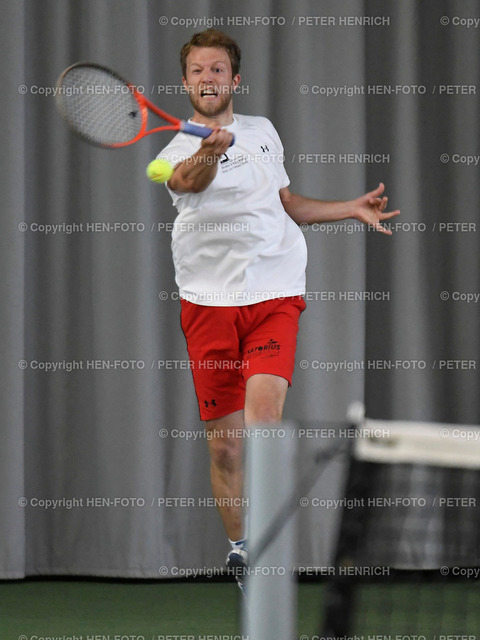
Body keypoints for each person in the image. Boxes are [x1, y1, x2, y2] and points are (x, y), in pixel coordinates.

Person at [159, 29, 400, 589]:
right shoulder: (176, 146)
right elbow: (186, 179)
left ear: (234, 80)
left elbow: (286, 205)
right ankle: (242, 551)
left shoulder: (264, 131)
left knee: (262, 425)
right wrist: (207, 150)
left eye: (218, 69)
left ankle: (268, 555)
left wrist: (348, 208)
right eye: (198, 70)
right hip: (207, 306)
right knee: (225, 445)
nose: (208, 78)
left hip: (274, 295)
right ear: (185, 83)